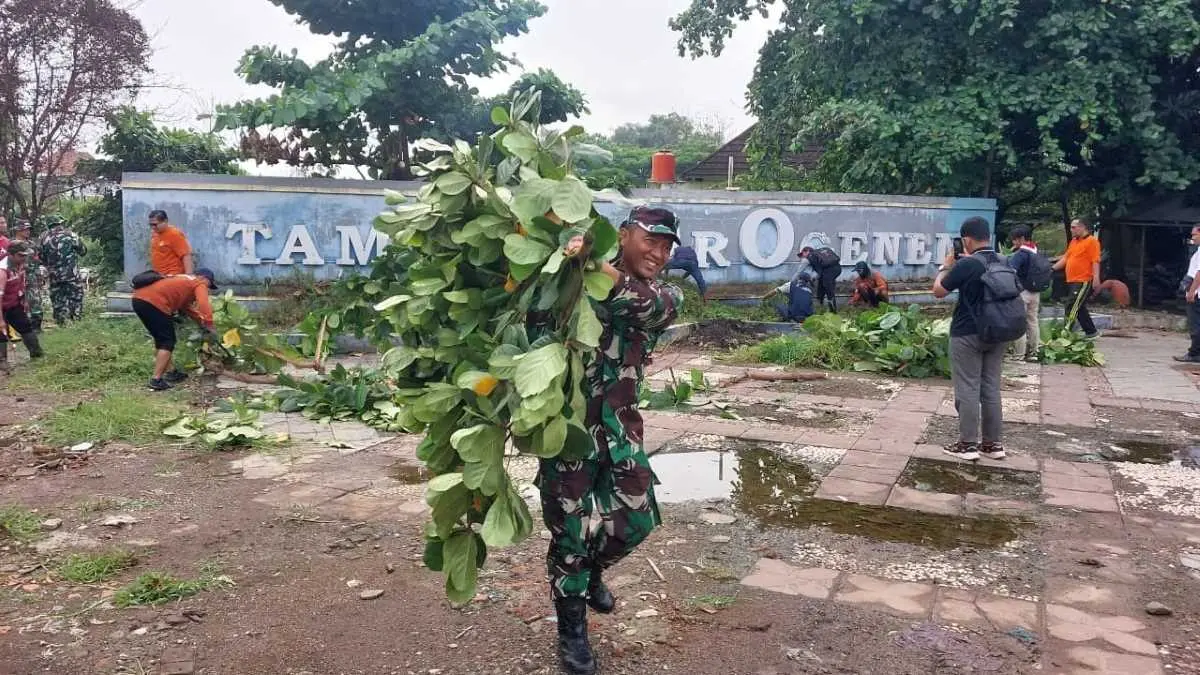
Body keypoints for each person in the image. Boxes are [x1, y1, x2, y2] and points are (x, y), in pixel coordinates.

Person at [544, 206, 682, 675]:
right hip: (568, 433)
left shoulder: (662, 294)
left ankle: (594, 570)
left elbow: (642, 306)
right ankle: (573, 635)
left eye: (667, 246)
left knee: (637, 521)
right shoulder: (569, 281)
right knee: (569, 534)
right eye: (651, 240)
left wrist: (588, 262)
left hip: (621, 428)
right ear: (622, 235)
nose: (659, 252)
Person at [932, 217, 1008, 462]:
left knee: (967, 387)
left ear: (966, 239)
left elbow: (939, 292)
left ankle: (967, 445)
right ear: (988, 236)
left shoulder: (968, 265)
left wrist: (945, 266)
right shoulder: (1004, 261)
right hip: (998, 331)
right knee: (991, 388)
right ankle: (993, 445)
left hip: (967, 334)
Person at [131, 269, 217, 391]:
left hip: (138, 300)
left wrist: (201, 323)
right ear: (205, 278)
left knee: (161, 340)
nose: (208, 288)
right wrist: (209, 324)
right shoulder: (199, 282)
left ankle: (172, 372)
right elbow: (204, 304)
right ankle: (156, 379)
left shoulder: (181, 280)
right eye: (209, 284)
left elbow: (187, 309)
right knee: (167, 342)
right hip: (155, 303)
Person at [1052, 218, 1101, 339]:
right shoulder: (1074, 241)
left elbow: (1095, 261)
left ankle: (1065, 333)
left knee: (1071, 304)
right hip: (1072, 279)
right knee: (1079, 307)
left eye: (1074, 227)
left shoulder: (1092, 242)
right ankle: (1091, 332)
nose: (1071, 230)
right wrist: (1051, 269)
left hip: (1083, 280)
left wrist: (1096, 277)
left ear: (1082, 227)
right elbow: (1066, 258)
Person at [0, 242, 44, 371]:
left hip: (13, 304)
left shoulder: (20, 265)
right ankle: (2, 362)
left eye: (25, 255)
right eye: (20, 255)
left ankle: (37, 354)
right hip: (1, 305)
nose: (23, 258)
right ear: (11, 254)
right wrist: (1, 320)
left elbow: (21, 283)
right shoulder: (2, 271)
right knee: (1, 333)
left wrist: (23, 300)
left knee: (25, 326)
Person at [37, 215, 86, 324]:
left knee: (57, 298)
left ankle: (61, 321)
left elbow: (40, 257)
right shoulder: (71, 235)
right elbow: (83, 251)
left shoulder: (43, 238)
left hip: (54, 275)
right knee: (75, 296)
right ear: (60, 223)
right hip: (71, 275)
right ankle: (76, 320)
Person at [1007, 226, 1042, 362]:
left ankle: (1018, 355)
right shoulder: (1036, 251)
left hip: (1022, 293)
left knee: (1019, 322)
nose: (1013, 243)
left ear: (1021, 239)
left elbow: (1011, 271)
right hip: (1035, 292)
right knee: (1033, 321)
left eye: (1015, 240)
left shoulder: (1021, 254)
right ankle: (1034, 352)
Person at [12, 221, 44, 332]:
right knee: (18, 302)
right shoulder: (13, 244)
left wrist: (39, 276)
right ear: (18, 230)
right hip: (17, 277)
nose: (27, 231)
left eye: (28, 229)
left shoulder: (32, 244)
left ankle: (36, 326)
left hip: (32, 276)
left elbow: (36, 260)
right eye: (25, 229)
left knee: (35, 300)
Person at [1175, 225, 1200, 364]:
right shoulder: (1198, 251)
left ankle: (1195, 353)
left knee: (1195, 324)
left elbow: (1199, 274)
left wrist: (1191, 291)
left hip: (1197, 293)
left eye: (1195, 234)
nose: (1193, 237)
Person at [149, 210, 194, 276]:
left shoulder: (174, 234)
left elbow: (186, 255)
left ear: (165, 221)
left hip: (172, 275)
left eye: (155, 224)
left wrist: (189, 276)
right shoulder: (155, 234)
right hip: (159, 275)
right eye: (151, 224)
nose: (153, 227)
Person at [801, 245, 841, 311]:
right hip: (838, 268)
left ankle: (833, 310)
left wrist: (812, 280)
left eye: (803, 254)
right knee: (822, 284)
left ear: (807, 251)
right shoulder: (821, 251)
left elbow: (819, 271)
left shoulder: (811, 256)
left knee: (828, 288)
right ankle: (821, 304)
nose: (803, 256)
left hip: (829, 271)